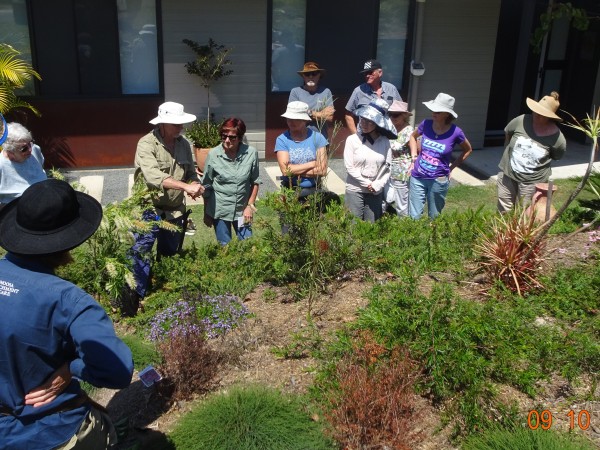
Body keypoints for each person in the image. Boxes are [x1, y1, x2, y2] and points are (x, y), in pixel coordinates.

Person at [0, 179, 134, 450]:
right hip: (53, 431)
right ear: (67, 242)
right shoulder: (69, 301)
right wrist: (71, 368)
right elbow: (118, 371)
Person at [126, 101, 204, 314]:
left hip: (174, 209)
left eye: (181, 123)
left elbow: (190, 173)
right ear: (163, 124)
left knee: (170, 251)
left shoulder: (184, 144)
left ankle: (166, 295)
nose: (181, 128)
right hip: (147, 208)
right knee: (140, 252)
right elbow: (153, 177)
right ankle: (135, 299)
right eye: (176, 124)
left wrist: (194, 183)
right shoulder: (146, 144)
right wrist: (185, 186)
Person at [496, 91, 566, 213]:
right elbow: (508, 133)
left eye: (542, 114)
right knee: (504, 209)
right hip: (508, 173)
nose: (537, 115)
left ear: (550, 116)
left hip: (533, 181)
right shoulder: (521, 120)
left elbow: (556, 155)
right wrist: (508, 153)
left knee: (526, 212)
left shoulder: (558, 138)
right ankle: (502, 232)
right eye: (536, 111)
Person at [408, 93, 473, 220]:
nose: (433, 113)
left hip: (438, 180)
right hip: (418, 177)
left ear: (447, 114)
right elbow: (412, 136)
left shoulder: (456, 132)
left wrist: (451, 168)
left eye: (438, 111)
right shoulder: (425, 124)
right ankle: (414, 239)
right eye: (433, 109)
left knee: (434, 217)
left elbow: (468, 150)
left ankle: (432, 239)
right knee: (414, 217)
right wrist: (414, 157)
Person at [202, 117, 261, 245]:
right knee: (225, 247)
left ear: (240, 138)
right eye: (224, 136)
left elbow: (255, 181)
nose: (227, 141)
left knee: (247, 244)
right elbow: (206, 185)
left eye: (232, 137)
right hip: (220, 210)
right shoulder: (213, 155)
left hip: (242, 210)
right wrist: (206, 212)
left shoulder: (251, 153)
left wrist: (249, 206)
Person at [344, 98, 397, 222]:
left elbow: (387, 166)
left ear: (378, 123)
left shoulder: (384, 142)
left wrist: (378, 184)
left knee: (371, 225)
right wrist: (366, 183)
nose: (364, 124)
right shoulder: (352, 140)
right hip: (355, 189)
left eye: (370, 121)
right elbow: (349, 167)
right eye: (362, 119)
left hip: (375, 190)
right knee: (353, 224)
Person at [275, 101, 328, 196]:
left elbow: (322, 170)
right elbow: (285, 171)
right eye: (289, 118)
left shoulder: (318, 138)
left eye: (296, 119)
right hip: (290, 188)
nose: (291, 122)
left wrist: (295, 171)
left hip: (314, 189)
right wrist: (312, 164)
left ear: (304, 120)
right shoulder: (282, 139)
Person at [344, 59, 402, 134]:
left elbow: (401, 113)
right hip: (365, 137)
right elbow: (348, 115)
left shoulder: (391, 89)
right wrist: (356, 136)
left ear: (380, 73)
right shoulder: (358, 91)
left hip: (387, 137)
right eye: (365, 73)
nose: (367, 75)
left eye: (370, 72)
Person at [0, 122, 47, 209]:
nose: (30, 149)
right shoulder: (1, 166)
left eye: (30, 143)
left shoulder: (35, 149)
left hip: (43, 202)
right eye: (24, 148)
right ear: (10, 152)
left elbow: (41, 167)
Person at [288, 62, 335, 138]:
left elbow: (329, 117)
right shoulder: (295, 92)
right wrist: (320, 114)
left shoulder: (326, 91)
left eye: (314, 73)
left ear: (319, 75)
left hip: (321, 139)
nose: (310, 76)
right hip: (300, 138)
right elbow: (294, 116)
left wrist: (308, 112)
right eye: (307, 74)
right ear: (303, 76)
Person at [384, 100, 414, 217]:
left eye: (396, 115)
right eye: (390, 114)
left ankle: (404, 226)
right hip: (386, 170)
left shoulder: (410, 132)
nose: (392, 117)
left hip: (401, 172)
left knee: (401, 203)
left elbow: (416, 152)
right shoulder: (389, 128)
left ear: (404, 116)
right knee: (385, 198)